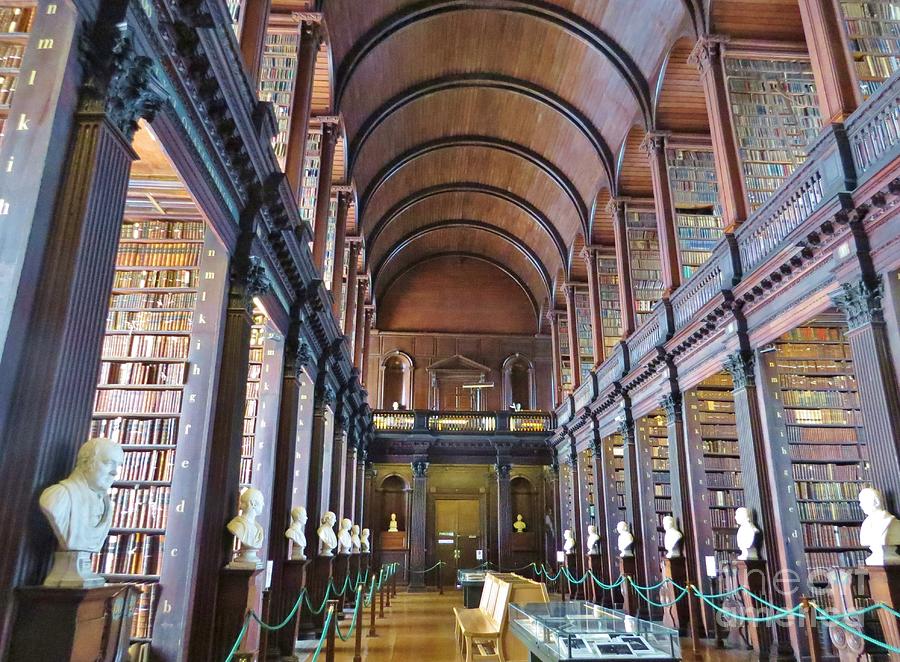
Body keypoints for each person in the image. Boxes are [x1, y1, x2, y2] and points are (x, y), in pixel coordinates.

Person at [39, 437, 125, 586]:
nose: (114, 472)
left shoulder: (106, 504)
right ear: (85, 462)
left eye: (118, 465)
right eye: (107, 462)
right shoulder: (58, 496)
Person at [227, 488, 265, 566]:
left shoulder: (259, 529)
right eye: (262, 501)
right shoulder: (237, 526)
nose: (263, 504)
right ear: (253, 503)